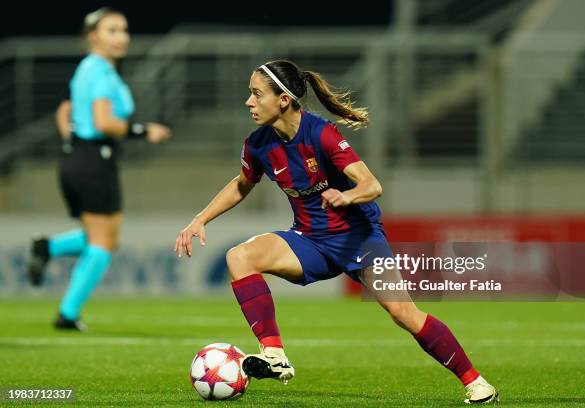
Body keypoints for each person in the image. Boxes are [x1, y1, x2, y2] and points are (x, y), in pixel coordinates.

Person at [174, 60, 498, 404]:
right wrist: (201, 218)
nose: (248, 102)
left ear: (283, 99)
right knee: (239, 256)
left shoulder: (321, 134)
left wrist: (348, 196)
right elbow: (242, 185)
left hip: (360, 239)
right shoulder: (257, 145)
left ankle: (476, 383)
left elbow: (372, 185)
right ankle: (274, 354)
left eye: (256, 94)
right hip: (310, 241)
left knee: (403, 313)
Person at [26, 7, 171, 331]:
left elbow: (64, 111)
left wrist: (72, 145)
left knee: (105, 238)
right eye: (112, 30)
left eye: (124, 29)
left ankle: (47, 248)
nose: (122, 37)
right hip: (93, 161)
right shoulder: (101, 72)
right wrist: (144, 131)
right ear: (93, 36)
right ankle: (67, 313)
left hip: (82, 158)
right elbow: (105, 122)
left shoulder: (87, 69)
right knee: (103, 243)